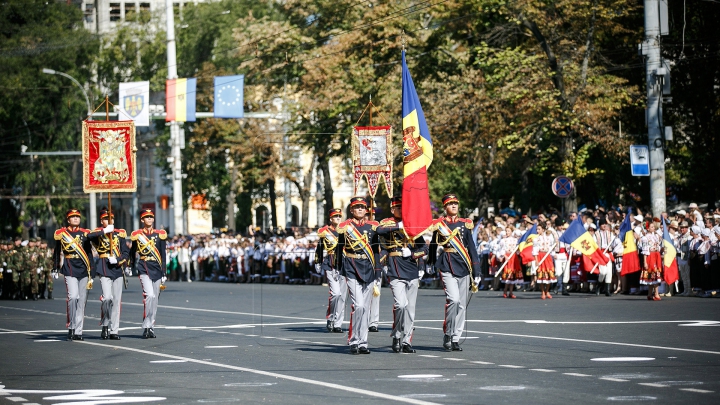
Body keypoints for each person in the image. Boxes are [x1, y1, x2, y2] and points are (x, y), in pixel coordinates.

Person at [428, 193, 481, 352]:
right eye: (450, 204)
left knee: (462, 305)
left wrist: (476, 271)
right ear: (445, 207)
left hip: (464, 266)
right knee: (454, 300)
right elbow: (433, 244)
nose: (454, 206)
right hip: (447, 264)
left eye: (455, 204)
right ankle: (448, 333)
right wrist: (430, 262)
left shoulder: (465, 224)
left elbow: (471, 248)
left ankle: (455, 338)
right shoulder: (440, 224)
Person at [376, 196, 427, 353]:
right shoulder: (387, 223)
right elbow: (379, 231)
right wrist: (399, 226)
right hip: (395, 267)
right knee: (401, 305)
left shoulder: (412, 225)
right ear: (392, 209)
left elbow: (424, 248)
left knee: (410, 309)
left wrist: (413, 255)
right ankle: (397, 335)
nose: (402, 210)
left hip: (411, 268)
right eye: (399, 207)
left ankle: (406, 341)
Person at [335, 197, 379, 355]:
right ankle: (354, 340)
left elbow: (376, 250)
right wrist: (339, 268)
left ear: (366, 210)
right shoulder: (345, 227)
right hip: (352, 267)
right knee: (359, 305)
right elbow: (340, 249)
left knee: (365, 308)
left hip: (368, 267)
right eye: (357, 207)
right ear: (351, 210)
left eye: (363, 207)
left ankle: (363, 342)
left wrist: (378, 270)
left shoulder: (372, 227)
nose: (360, 209)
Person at [87, 209, 129, 340]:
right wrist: (105, 231)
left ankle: (114, 330)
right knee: (107, 298)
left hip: (116, 267)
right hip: (104, 266)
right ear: (101, 221)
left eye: (111, 219)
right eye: (106, 219)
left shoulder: (120, 234)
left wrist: (118, 260)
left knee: (116, 301)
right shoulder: (99, 233)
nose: (109, 221)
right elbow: (89, 237)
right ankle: (105, 324)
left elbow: (125, 252)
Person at [53, 209, 94, 341]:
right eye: (73, 217)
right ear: (68, 219)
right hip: (69, 267)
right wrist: (55, 267)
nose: (76, 218)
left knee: (81, 301)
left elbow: (88, 253)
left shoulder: (85, 234)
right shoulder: (62, 234)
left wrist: (91, 270)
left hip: (83, 269)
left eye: (77, 217)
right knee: (73, 297)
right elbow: (56, 251)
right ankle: (71, 325)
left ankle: (78, 331)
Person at [130, 209, 167, 339]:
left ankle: (151, 326)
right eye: (147, 217)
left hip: (157, 268)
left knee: (155, 300)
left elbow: (163, 254)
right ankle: (146, 326)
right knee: (149, 296)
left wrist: (164, 272)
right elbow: (133, 251)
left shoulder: (160, 234)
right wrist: (130, 266)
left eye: (151, 217)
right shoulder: (137, 235)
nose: (150, 219)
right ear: (142, 220)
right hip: (144, 267)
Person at [316, 208, 346, 333]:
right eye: (336, 216)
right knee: (336, 294)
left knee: (342, 296)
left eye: (339, 216)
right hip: (330, 262)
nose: (338, 218)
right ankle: (331, 317)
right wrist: (318, 261)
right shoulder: (325, 231)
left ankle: (338, 323)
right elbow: (320, 246)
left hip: (344, 263)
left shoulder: (345, 230)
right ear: (331, 219)